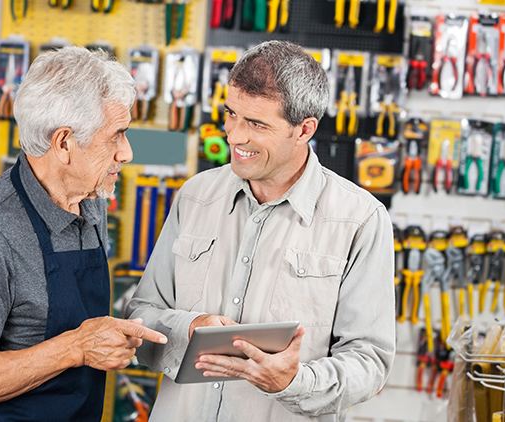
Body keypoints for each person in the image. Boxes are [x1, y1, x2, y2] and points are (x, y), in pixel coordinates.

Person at [126, 40, 395, 422]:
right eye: (231, 114)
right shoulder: (196, 196)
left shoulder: (361, 220)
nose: (234, 136)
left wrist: (295, 382)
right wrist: (191, 327)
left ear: (304, 130)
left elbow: (370, 362)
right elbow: (141, 316)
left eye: (256, 124)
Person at [0, 46, 167, 422]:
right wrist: (76, 347)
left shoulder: (90, 199)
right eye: (116, 135)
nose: (127, 152)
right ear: (63, 144)